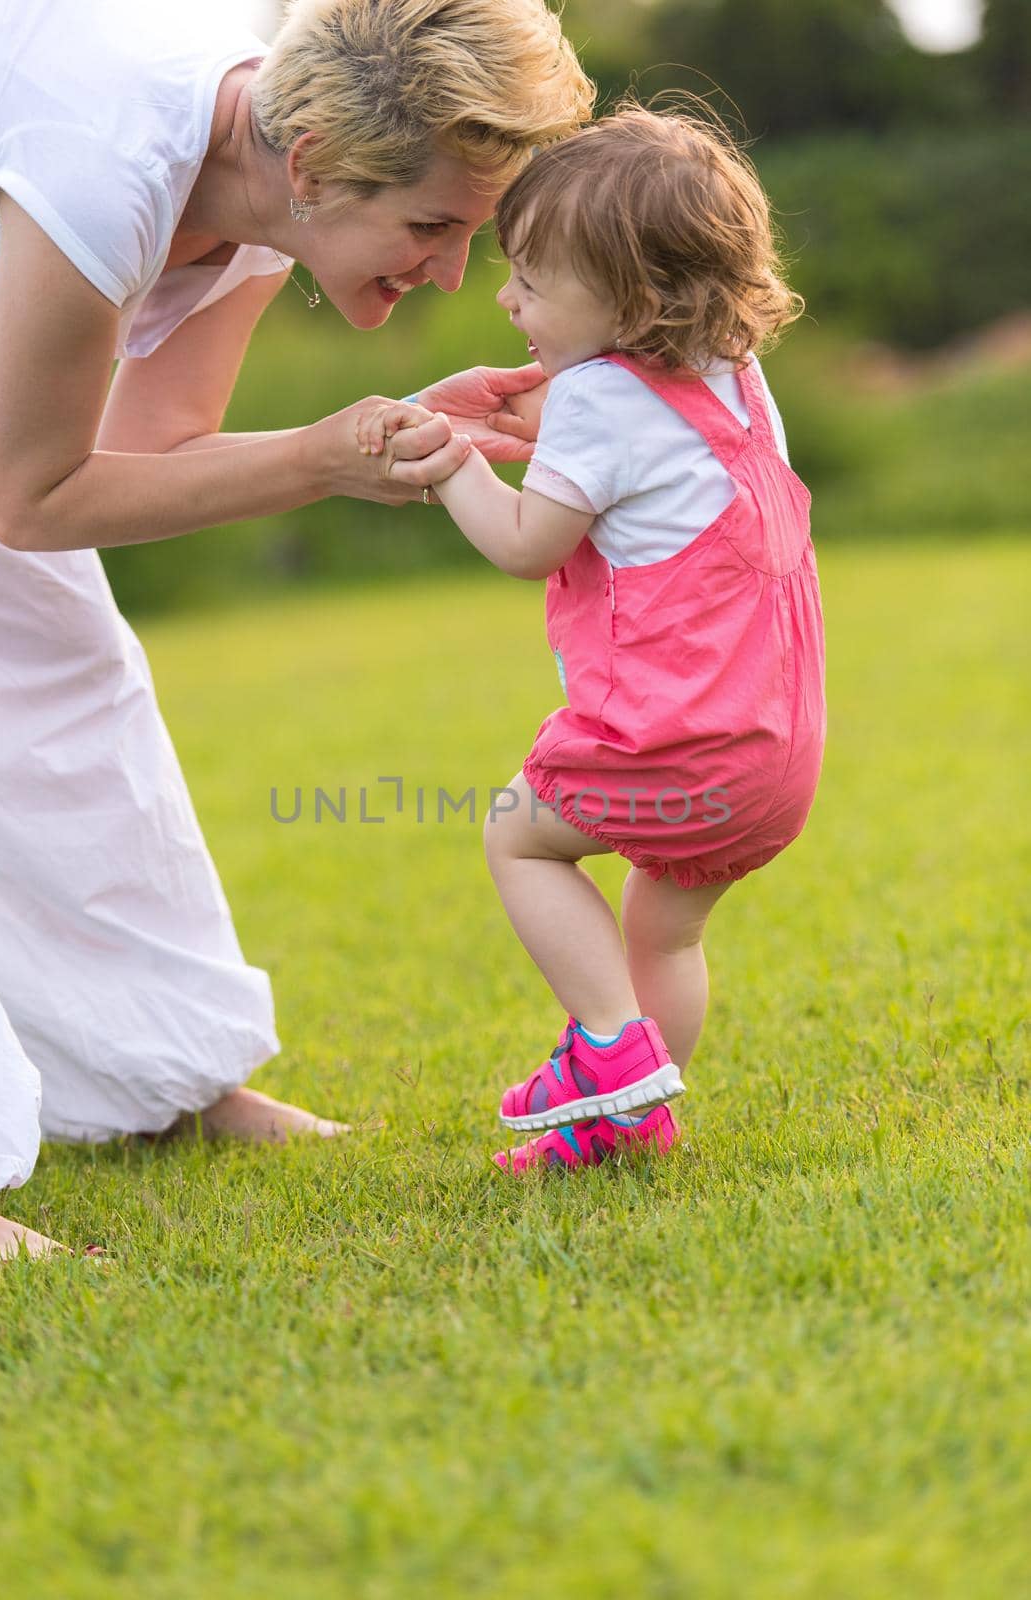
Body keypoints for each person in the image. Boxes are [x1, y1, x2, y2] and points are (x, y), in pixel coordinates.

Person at [0, 0, 593, 1259]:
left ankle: (159, 1080)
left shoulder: (264, 187)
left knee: (69, 668)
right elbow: (31, 496)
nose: (450, 271)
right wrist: (317, 463)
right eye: (431, 227)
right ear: (311, 165)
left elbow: (142, 452)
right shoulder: (114, 158)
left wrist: (383, 429)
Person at [360, 107, 826, 1174]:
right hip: (773, 748)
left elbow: (530, 542)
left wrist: (454, 465)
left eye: (531, 277)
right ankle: (631, 1120)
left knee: (518, 836)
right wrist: (550, 432)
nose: (504, 296)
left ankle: (611, 1056)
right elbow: (653, 479)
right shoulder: (735, 376)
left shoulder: (598, 399)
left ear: (630, 301)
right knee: (662, 929)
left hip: (671, 739)